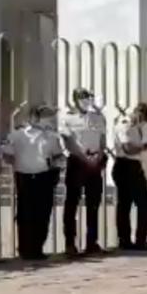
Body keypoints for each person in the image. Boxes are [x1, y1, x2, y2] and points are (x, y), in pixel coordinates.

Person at [3, 104, 65, 260]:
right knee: (25, 214)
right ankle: (24, 248)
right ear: (33, 117)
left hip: (44, 176)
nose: (48, 119)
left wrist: (56, 172)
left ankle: (37, 247)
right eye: (44, 115)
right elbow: (7, 154)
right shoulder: (19, 135)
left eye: (50, 116)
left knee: (43, 213)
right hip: (24, 176)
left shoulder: (52, 136)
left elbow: (58, 156)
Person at [60, 88, 107, 256]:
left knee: (93, 204)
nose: (86, 100)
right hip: (77, 162)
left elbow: (102, 140)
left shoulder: (98, 117)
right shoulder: (68, 118)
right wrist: (84, 158)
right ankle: (70, 244)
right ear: (75, 99)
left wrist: (98, 156)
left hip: (95, 162)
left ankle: (91, 242)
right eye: (82, 97)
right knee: (72, 203)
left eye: (88, 97)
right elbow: (68, 142)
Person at [112, 103, 147, 251]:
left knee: (126, 203)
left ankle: (129, 240)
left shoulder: (137, 127)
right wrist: (145, 147)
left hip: (132, 166)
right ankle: (135, 241)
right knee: (141, 202)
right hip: (126, 166)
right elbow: (128, 149)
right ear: (137, 113)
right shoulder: (125, 124)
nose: (143, 122)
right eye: (143, 118)